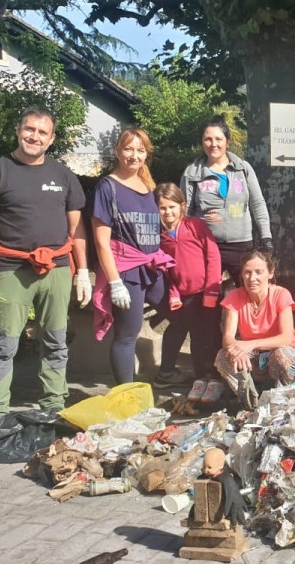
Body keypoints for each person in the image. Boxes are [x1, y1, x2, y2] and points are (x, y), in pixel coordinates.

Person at [0, 106, 90, 421]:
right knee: (4, 344)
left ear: (51, 139)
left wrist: (84, 272)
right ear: (18, 130)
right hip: (11, 270)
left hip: (58, 269)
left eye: (42, 132)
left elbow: (77, 228)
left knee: (56, 341)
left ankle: (53, 407)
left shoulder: (63, 175)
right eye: (29, 129)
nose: (34, 136)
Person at [90, 128, 174, 386]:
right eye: (128, 149)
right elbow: (101, 242)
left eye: (140, 150)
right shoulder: (108, 187)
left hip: (152, 268)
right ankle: (126, 396)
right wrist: (115, 283)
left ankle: (168, 371)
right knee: (128, 335)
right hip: (126, 270)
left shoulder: (148, 186)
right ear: (117, 151)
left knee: (180, 314)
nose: (134, 155)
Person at [179, 117, 272, 284]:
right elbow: (185, 212)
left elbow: (257, 204)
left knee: (247, 293)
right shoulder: (192, 173)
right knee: (208, 297)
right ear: (202, 142)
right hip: (207, 244)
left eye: (218, 139)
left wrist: (266, 237)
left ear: (227, 142)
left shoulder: (243, 168)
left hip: (242, 244)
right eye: (208, 139)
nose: (213, 144)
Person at [153, 182, 222, 403]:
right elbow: (166, 269)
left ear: (182, 206)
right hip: (184, 296)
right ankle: (200, 378)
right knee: (195, 337)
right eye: (162, 208)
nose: (168, 212)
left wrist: (212, 292)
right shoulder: (159, 235)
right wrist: (173, 293)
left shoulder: (195, 226)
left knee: (211, 335)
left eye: (172, 207)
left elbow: (213, 257)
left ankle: (217, 377)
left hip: (206, 292)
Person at [214, 251, 295, 410]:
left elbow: (286, 338)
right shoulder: (235, 297)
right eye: (247, 272)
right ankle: (251, 402)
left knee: (285, 356)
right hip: (253, 359)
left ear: (270, 273)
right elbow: (227, 337)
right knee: (223, 356)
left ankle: (281, 403)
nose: (252, 278)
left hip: (278, 353)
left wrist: (250, 344)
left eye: (258, 272)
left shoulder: (281, 294)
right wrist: (238, 350)